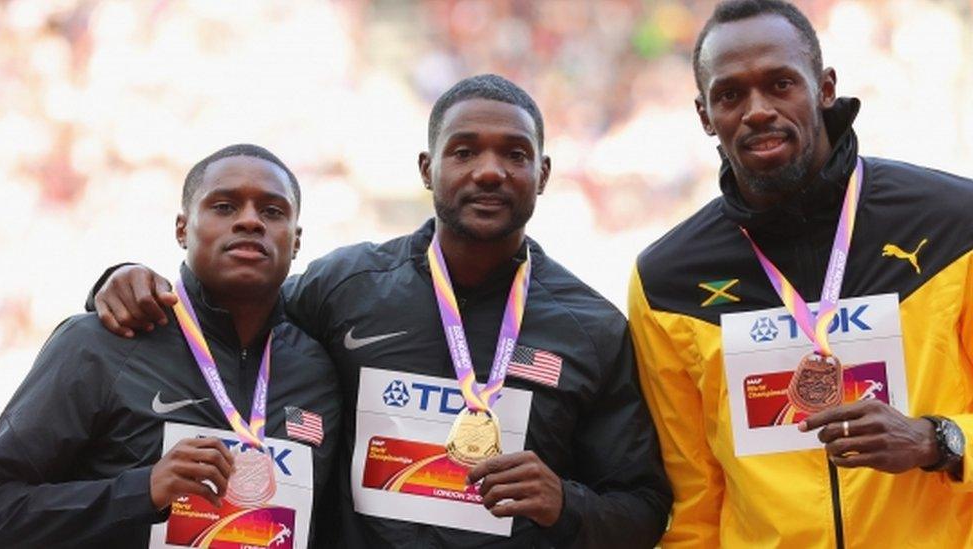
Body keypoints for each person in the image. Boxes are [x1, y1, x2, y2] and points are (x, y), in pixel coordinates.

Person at [86, 75, 672, 548]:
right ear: (427, 169)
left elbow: (643, 510)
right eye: (464, 151)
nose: (489, 171)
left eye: (514, 155)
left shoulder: (590, 327)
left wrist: (567, 505)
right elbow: (229, 316)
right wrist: (118, 281)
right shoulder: (347, 286)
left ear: (542, 175)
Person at [628, 1, 973, 547]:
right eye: (730, 95)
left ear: (825, 87)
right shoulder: (667, 280)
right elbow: (695, 503)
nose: (757, 110)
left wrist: (937, 440)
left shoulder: (955, 222)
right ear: (704, 116)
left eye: (781, 83)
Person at [0, 144, 341, 547]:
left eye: (272, 211)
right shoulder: (103, 342)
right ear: (182, 229)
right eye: (225, 206)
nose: (250, 220)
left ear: (296, 240)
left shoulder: (319, 369)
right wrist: (142, 492)